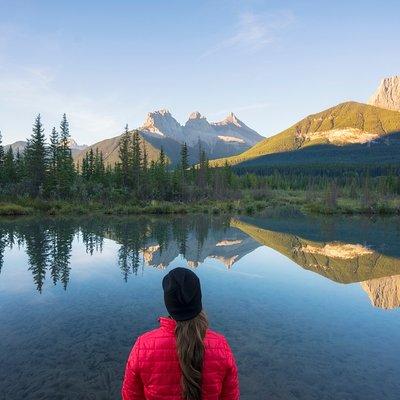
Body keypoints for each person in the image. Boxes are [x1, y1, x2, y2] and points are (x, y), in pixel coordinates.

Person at [122, 267, 240, 400]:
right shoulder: (221, 346)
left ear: (168, 303)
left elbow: (130, 396)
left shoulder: (143, 346)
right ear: (198, 300)